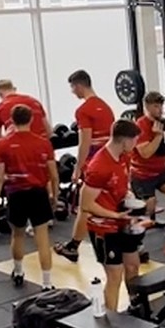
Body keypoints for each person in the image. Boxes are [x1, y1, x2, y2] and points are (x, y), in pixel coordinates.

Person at [0, 106, 61, 288]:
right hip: (38, 193)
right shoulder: (43, 143)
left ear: (11, 121)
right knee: (42, 238)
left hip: (16, 194)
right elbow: (53, 175)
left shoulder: (1, 145)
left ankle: (19, 272)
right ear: (31, 120)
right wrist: (55, 196)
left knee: (18, 235)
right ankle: (46, 283)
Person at [80, 121, 144, 313]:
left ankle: (136, 307)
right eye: (134, 140)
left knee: (133, 266)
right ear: (124, 140)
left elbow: (124, 184)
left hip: (122, 221)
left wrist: (129, 195)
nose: (135, 144)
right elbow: (86, 204)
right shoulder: (99, 166)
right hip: (104, 228)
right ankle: (112, 324)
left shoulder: (124, 157)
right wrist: (115, 214)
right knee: (115, 274)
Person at [62, 70, 116, 261]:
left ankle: (74, 245)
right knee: (108, 201)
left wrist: (77, 169)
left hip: (94, 163)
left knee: (86, 205)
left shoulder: (83, 110)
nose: (72, 92)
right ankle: (74, 244)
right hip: (110, 161)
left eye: (72, 87)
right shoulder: (106, 107)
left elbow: (84, 142)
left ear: (79, 85)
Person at [132, 92, 165, 240]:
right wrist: (158, 136)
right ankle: (134, 233)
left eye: (161, 106)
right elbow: (145, 154)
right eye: (156, 106)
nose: (160, 110)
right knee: (148, 207)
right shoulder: (140, 126)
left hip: (161, 170)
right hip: (142, 174)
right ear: (147, 107)